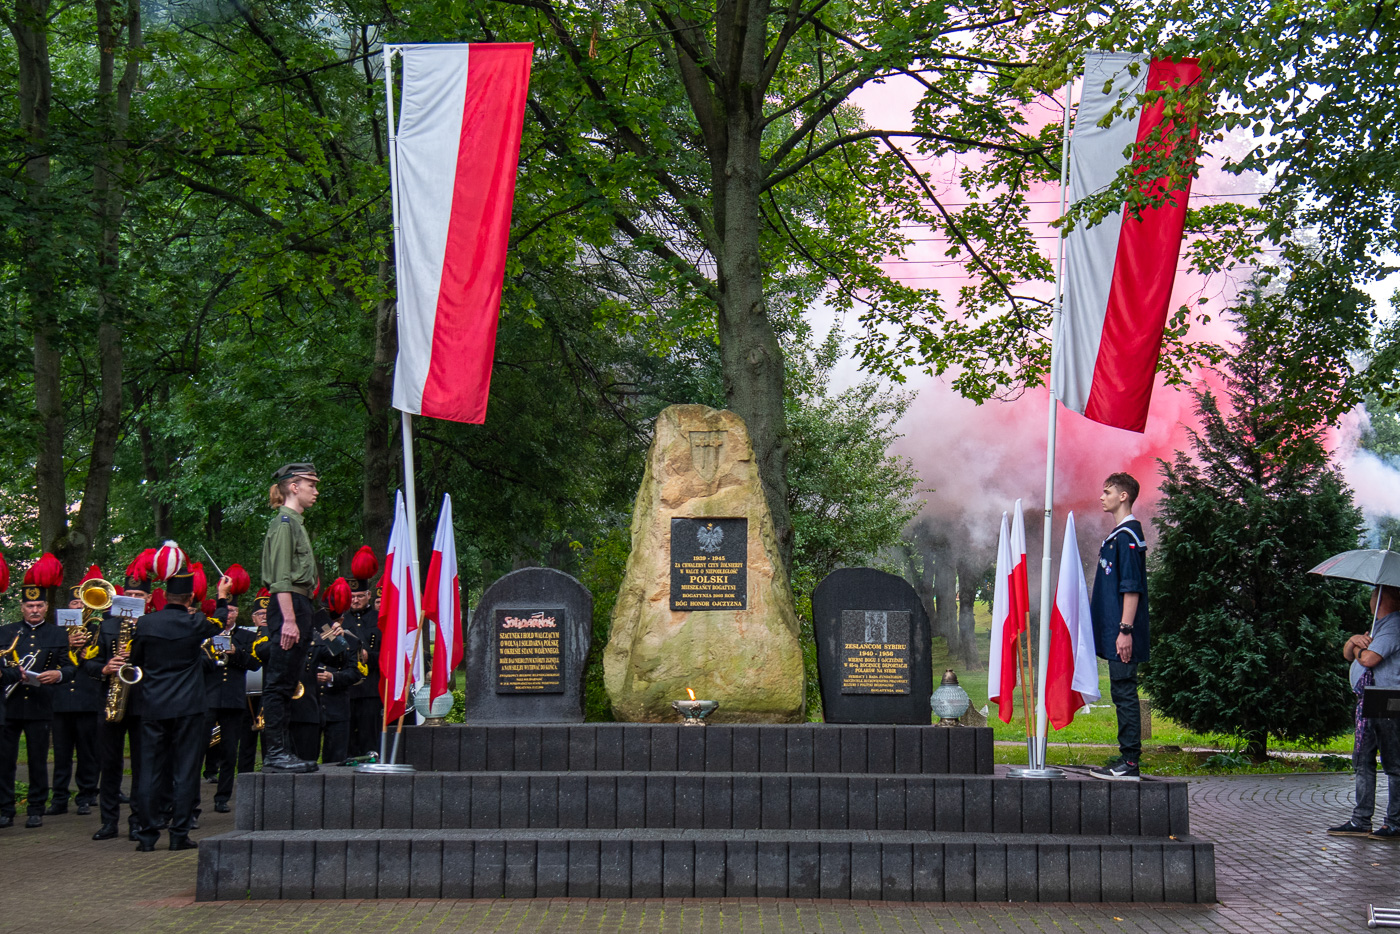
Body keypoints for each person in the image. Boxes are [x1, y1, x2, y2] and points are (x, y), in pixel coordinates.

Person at [128, 548, 221, 851]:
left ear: (163, 596)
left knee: (149, 771)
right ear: (191, 599)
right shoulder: (195, 624)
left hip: (153, 705)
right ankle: (179, 834)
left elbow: (136, 660)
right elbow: (220, 622)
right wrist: (222, 595)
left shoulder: (145, 624)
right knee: (185, 770)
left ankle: (145, 835)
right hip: (188, 706)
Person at [1088, 472, 1150, 782]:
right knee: (1120, 691)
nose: (1102, 496)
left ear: (1123, 496)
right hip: (1116, 630)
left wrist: (1125, 630)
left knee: (1125, 693)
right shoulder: (1119, 535)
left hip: (1122, 632)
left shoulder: (1127, 536)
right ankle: (1127, 757)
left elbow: (1131, 587)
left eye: (1108, 491)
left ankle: (1129, 763)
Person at [260, 462, 321, 773]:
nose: (316, 491)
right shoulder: (285, 523)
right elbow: (281, 579)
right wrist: (289, 620)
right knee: (279, 683)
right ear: (294, 487)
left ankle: (283, 750)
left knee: (287, 681)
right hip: (290, 604)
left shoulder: (295, 522)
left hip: (299, 603)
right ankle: (275, 752)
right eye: (311, 484)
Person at [0, 573, 75, 827]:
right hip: (9, 705)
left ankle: (35, 808)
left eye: (39, 606)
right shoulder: (7, 632)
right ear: (22, 607)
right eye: (30, 606)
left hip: (40, 704)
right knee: (5, 761)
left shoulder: (57, 634)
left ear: (46, 607)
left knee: (38, 760)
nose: (34, 610)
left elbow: (70, 667)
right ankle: (5, 809)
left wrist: (59, 674)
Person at [90, 551, 154, 841]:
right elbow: (87, 663)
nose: (132, 598)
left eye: (138, 594)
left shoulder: (153, 627)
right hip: (111, 702)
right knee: (110, 764)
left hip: (142, 703)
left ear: (149, 599)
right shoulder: (106, 626)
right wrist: (105, 667)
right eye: (128, 593)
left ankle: (138, 821)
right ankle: (108, 822)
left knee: (142, 767)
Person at [1329, 584, 1400, 839]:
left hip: (1388, 701)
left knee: (1393, 763)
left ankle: (1395, 822)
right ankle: (1360, 820)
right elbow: (1348, 655)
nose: (1370, 599)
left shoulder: (1394, 625)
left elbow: (1369, 659)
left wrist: (1358, 648)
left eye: (1374, 595)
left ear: (1382, 599)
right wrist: (1352, 642)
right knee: (1363, 761)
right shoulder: (1379, 626)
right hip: (1368, 702)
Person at [201, 575, 260, 813]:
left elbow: (255, 664)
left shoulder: (246, 635)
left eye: (234, 611)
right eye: (228, 610)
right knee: (199, 747)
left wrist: (235, 653)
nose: (231, 614)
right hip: (209, 697)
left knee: (229, 750)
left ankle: (222, 797)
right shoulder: (206, 631)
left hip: (234, 699)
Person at [49, 573, 104, 816]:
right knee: (61, 754)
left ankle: (86, 796)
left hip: (86, 699)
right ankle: (59, 798)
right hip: (61, 701)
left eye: (82, 603)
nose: (79, 607)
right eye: (74, 603)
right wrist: (66, 642)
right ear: (67, 608)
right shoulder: (56, 634)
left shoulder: (98, 630)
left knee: (87, 752)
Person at [343, 551, 381, 757]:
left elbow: (388, 654)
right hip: (348, 688)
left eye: (359, 596)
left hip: (370, 689)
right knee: (349, 741)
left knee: (369, 740)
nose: (355, 601)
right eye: (352, 597)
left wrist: (370, 657)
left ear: (368, 596)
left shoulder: (379, 619)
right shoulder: (341, 621)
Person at [237, 594, 270, 773]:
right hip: (247, 694)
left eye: (267, 613)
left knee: (267, 738)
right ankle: (244, 776)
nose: (264, 617)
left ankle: (268, 774)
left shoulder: (277, 636)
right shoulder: (244, 635)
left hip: (268, 693)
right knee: (246, 740)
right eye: (260, 613)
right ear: (253, 618)